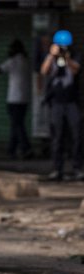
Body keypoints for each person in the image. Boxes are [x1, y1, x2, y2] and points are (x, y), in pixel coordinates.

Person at [40, 30, 83, 181]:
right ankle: (57, 169)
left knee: (77, 135)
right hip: (56, 102)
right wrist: (52, 55)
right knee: (57, 137)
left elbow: (76, 69)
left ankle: (77, 167)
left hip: (72, 102)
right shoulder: (52, 57)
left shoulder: (75, 55)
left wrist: (66, 57)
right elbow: (44, 71)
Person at [0, 39, 33, 160]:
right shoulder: (26, 61)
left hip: (14, 98)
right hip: (24, 98)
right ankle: (12, 149)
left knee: (17, 125)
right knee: (16, 124)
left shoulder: (13, 61)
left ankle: (26, 147)